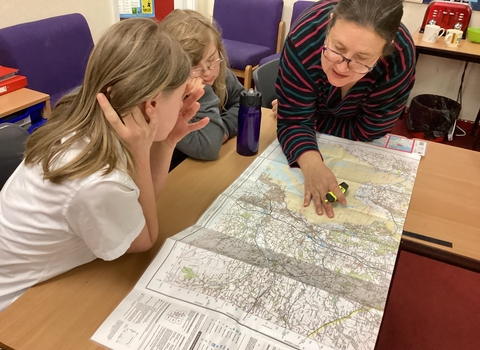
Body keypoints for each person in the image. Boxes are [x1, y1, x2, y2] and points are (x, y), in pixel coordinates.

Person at [0, 18, 208, 311]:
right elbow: (145, 238)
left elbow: (139, 206)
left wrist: (166, 140)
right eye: (179, 97)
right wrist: (142, 153)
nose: (182, 105)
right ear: (150, 106)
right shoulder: (98, 180)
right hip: (18, 307)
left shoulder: (94, 127)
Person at [275, 0, 415, 218]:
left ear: (387, 48)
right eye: (337, 48)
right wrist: (312, 165)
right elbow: (293, 120)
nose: (341, 67)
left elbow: (370, 129)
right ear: (330, 24)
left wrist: (305, 117)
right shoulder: (304, 36)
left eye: (362, 59)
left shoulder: (401, 57)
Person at [159, 9, 245, 163]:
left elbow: (244, 103)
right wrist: (203, 91)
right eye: (194, 67)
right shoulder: (166, 101)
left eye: (212, 59)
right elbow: (209, 148)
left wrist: (223, 129)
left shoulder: (220, 72)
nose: (207, 72)